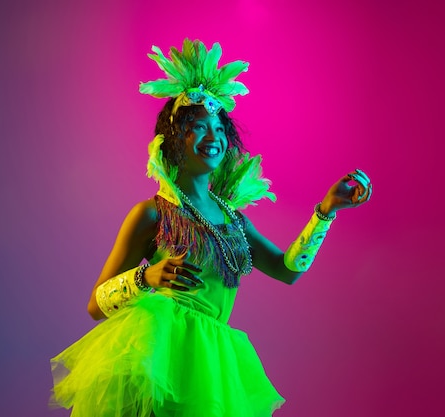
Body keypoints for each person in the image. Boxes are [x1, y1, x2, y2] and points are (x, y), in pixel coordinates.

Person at [50, 38, 372, 417]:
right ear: (173, 139)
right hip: (161, 351)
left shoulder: (234, 221)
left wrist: (326, 211)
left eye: (218, 128)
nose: (212, 137)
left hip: (212, 364)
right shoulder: (152, 214)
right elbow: (96, 305)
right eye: (197, 127)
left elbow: (288, 270)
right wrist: (147, 277)